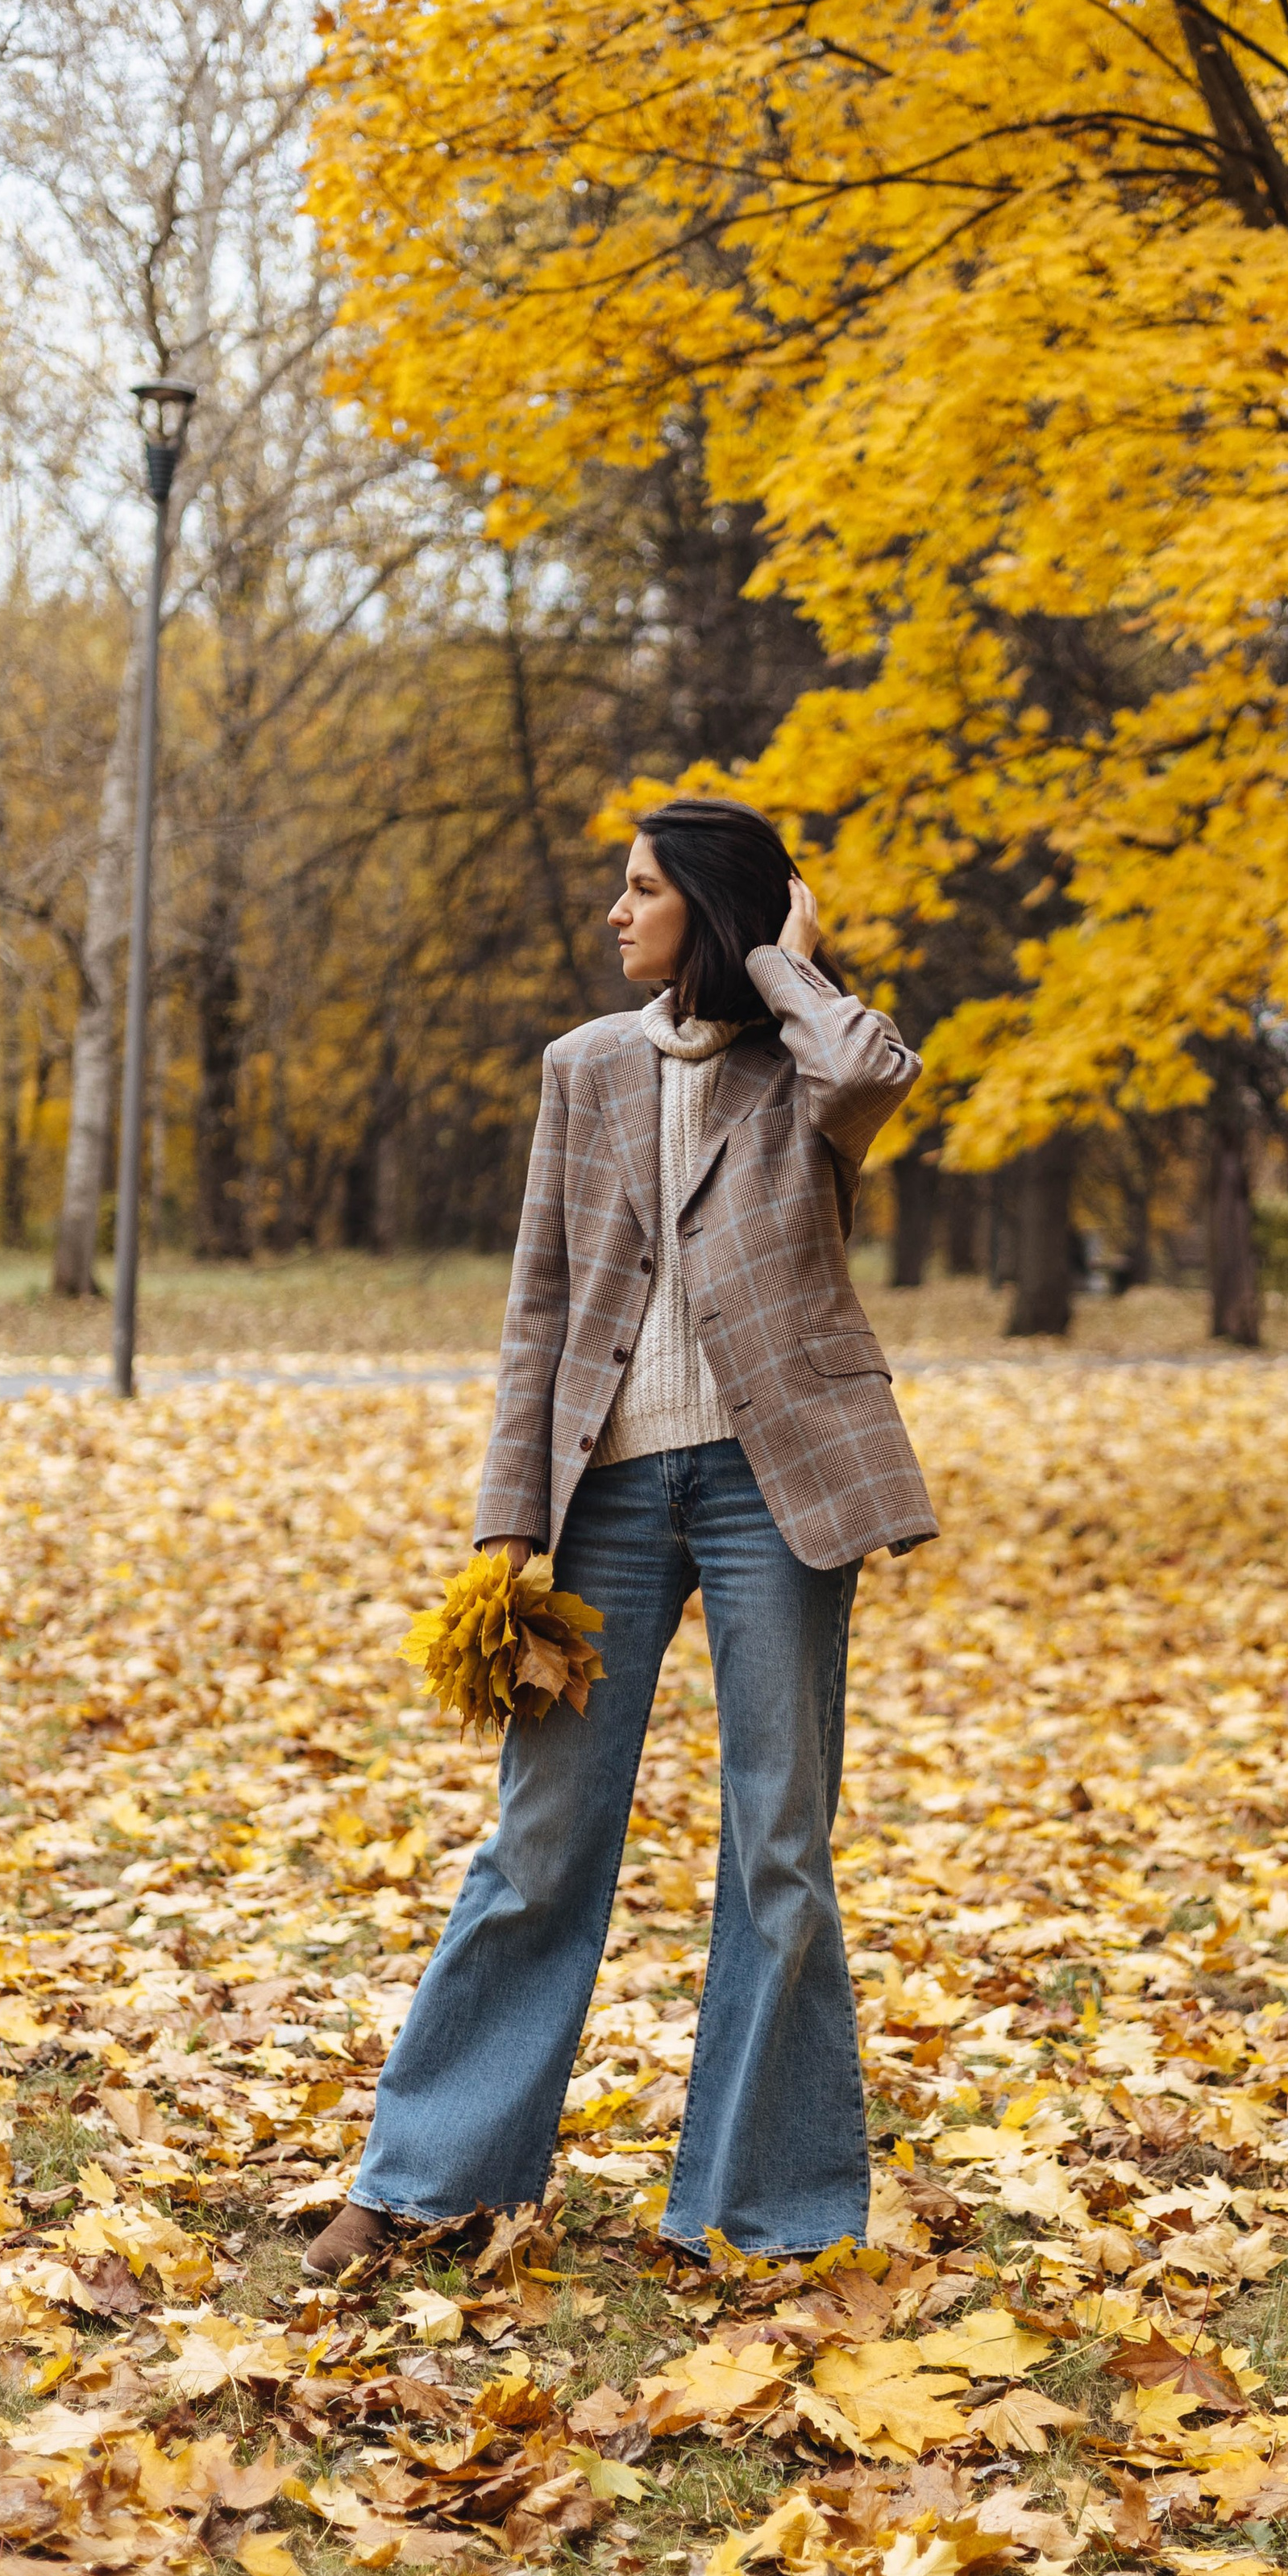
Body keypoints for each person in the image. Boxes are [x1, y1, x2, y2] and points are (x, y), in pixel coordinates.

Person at [306, 798, 937, 2273]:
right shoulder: (584, 1068)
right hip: (605, 1493)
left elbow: (875, 1066)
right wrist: (504, 1526)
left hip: (777, 1482)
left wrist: (787, 961)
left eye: (645, 889)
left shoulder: (809, 1061)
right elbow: (538, 1304)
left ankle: (760, 2211)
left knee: (780, 1843)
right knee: (540, 1836)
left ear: (711, 912)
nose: (615, 910)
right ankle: (426, 2183)